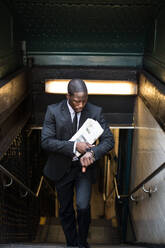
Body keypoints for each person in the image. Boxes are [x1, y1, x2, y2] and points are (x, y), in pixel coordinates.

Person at [41, 78, 114, 248]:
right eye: (76, 101)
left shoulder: (96, 112)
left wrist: (93, 153)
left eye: (84, 100)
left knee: (82, 206)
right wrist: (74, 146)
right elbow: (46, 141)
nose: (81, 105)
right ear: (68, 96)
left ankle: (82, 242)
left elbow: (109, 141)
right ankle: (71, 243)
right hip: (61, 169)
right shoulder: (53, 111)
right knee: (65, 209)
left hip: (84, 170)